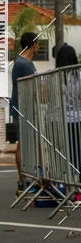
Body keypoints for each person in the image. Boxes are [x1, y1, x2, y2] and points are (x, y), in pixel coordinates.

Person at [10, 31, 39, 194]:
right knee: (23, 144)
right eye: (37, 43)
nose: (38, 47)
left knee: (30, 143)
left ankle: (30, 176)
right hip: (22, 109)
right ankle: (23, 179)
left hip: (29, 109)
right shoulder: (22, 63)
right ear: (33, 44)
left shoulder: (28, 62)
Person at [55, 43, 81, 187]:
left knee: (61, 152)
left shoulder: (54, 75)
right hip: (77, 118)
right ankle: (77, 183)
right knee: (77, 151)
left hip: (58, 120)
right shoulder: (79, 76)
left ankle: (64, 183)